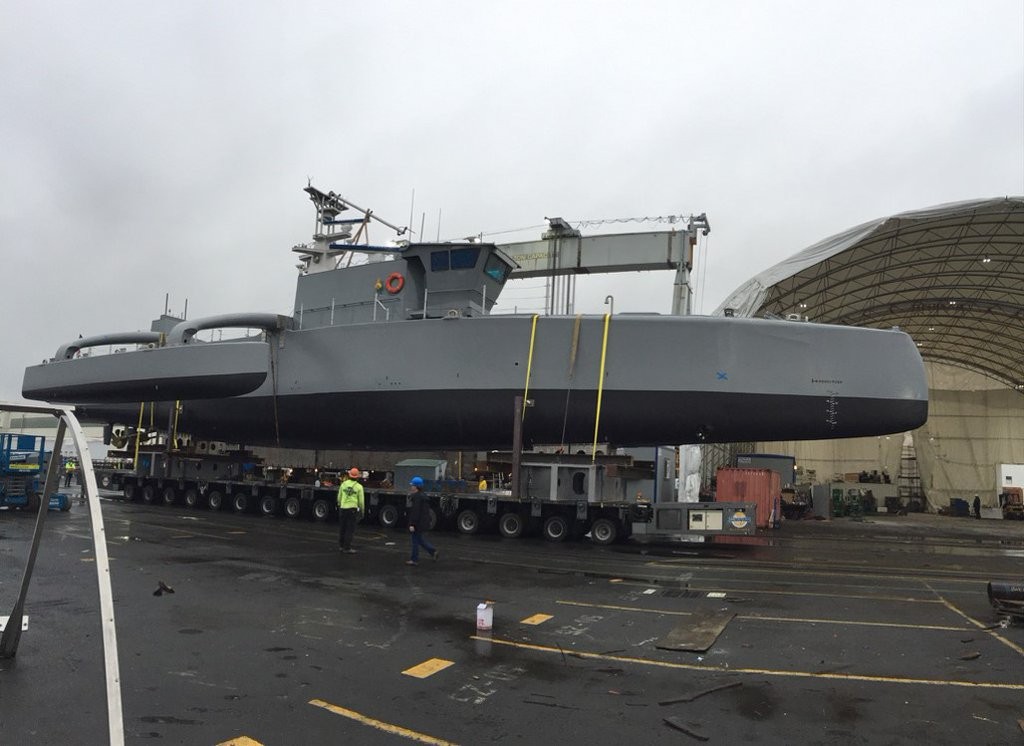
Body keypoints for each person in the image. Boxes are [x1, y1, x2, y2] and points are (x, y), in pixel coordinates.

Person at [406, 476, 438, 565]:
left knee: (415, 541)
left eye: (412, 485)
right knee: (419, 540)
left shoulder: (417, 498)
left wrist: (412, 524)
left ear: (416, 487)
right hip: (423, 523)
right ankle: (433, 551)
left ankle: (414, 559)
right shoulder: (423, 496)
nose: (411, 487)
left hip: (418, 523)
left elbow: (415, 512)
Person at [337, 467, 364, 553]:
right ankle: (347, 547)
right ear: (357, 477)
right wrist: (362, 511)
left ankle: (341, 546)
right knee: (350, 529)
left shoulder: (343, 484)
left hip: (343, 508)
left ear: (349, 475)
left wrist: (339, 504)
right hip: (352, 509)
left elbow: (339, 497)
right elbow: (361, 502)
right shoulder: (359, 487)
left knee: (343, 528)